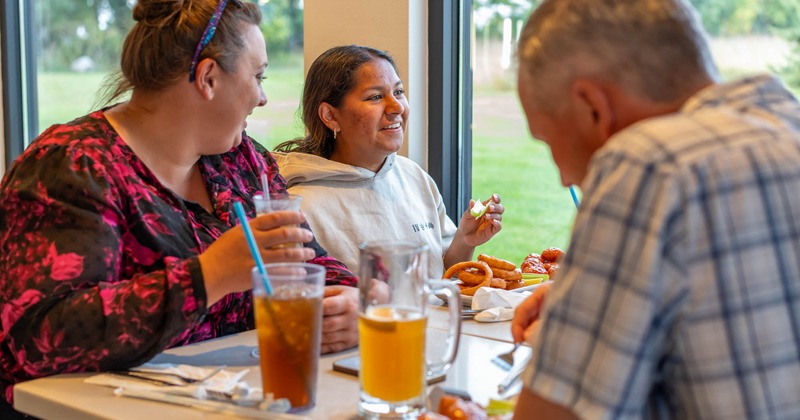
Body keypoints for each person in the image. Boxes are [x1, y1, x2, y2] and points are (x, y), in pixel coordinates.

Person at [0, 0, 361, 415]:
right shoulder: (72, 165)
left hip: (243, 400)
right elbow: (42, 335)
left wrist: (353, 304)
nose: (263, 98)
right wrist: (209, 276)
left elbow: (309, 260)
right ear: (208, 77)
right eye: (259, 77)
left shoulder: (243, 162)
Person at [511, 0, 800, 418]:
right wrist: (595, 299)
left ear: (593, 107)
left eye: (548, 141)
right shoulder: (783, 120)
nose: (562, 177)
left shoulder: (647, 162)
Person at [274, 45, 504, 277]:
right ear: (330, 116)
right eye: (375, 97)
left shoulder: (414, 176)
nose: (397, 107)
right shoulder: (301, 208)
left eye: (399, 92)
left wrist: (464, 240)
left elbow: (442, 275)